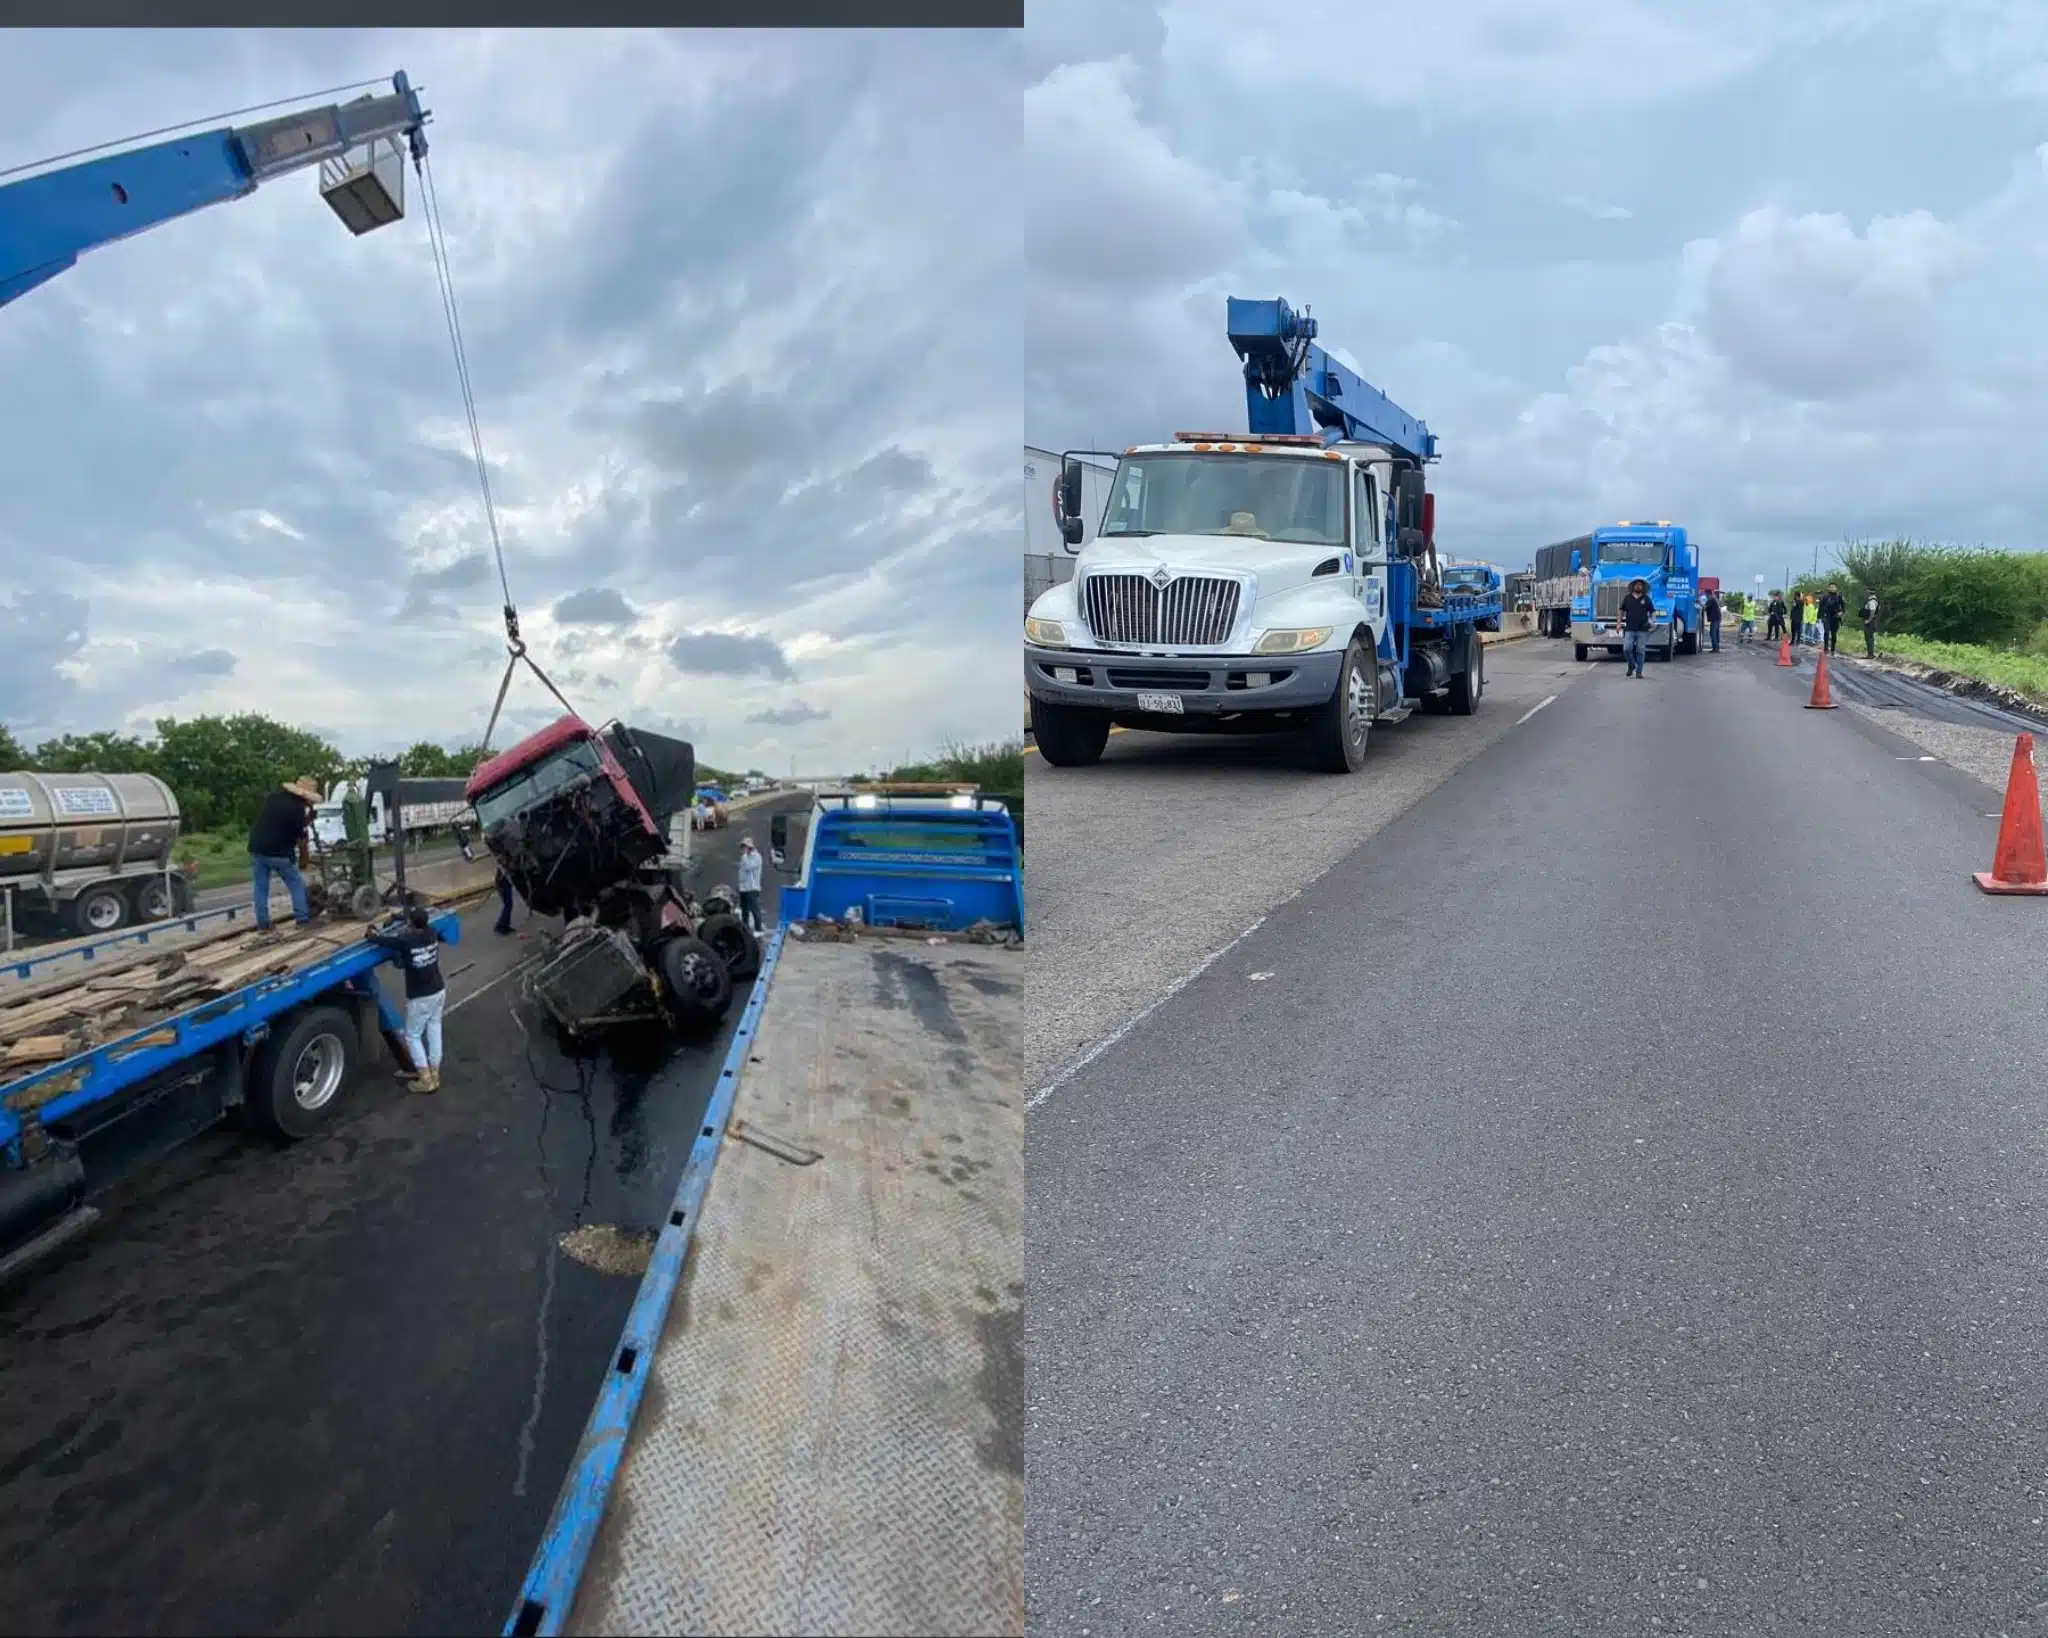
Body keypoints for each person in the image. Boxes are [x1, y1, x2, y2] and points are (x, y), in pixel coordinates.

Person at [369, 904, 447, 1093]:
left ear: (411, 923)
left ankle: (425, 1080)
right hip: (439, 990)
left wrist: (371, 934)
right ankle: (435, 1073)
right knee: (434, 1027)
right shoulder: (432, 932)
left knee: (412, 1036)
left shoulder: (406, 940)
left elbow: (382, 941)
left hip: (421, 996)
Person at [248, 776, 322, 932]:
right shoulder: (297, 809)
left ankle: (263, 925)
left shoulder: (273, 798)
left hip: (257, 848)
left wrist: (304, 820)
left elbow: (278, 823)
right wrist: (307, 821)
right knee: (296, 884)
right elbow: (299, 835)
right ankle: (302, 920)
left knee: (260, 888)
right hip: (279, 853)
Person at [1618, 577, 1654, 678]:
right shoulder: (1627, 598)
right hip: (1629, 628)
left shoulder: (1646, 599)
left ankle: (1639, 671)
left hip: (1642, 629)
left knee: (1640, 651)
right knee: (1627, 649)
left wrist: (1653, 620)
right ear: (1633, 586)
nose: (1638, 586)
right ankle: (1632, 664)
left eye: (1640, 585)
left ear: (1643, 587)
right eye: (1636, 584)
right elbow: (1621, 610)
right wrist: (1618, 623)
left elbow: (1653, 611)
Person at [736, 836, 765, 931]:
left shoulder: (756, 857)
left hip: (752, 888)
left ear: (750, 847)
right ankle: (745, 928)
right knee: (744, 910)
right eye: (742, 846)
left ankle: (758, 928)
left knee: (754, 909)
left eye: (745, 846)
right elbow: (742, 872)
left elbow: (748, 867)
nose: (743, 849)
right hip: (743, 888)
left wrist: (744, 856)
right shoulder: (744, 857)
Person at [1818, 582, 1846, 655]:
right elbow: (1821, 607)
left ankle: (1832, 649)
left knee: (1833, 634)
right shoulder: (1825, 597)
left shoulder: (1839, 596)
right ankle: (1826, 649)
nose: (1832, 588)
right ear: (1828, 588)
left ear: (1836, 588)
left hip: (1835, 617)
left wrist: (1841, 612)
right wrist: (1820, 616)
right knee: (1826, 632)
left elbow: (1843, 607)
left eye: (1833, 587)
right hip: (1827, 616)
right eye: (1831, 587)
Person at [493, 863, 517, 936]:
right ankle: (501, 926)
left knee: (508, 905)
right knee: (508, 905)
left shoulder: (503, 862)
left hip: (503, 884)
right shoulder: (503, 863)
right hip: (503, 885)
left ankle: (505, 925)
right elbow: (504, 873)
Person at [1702, 588, 1722, 653]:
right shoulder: (1713, 599)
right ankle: (1716, 648)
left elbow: (1705, 607)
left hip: (1715, 619)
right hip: (1717, 618)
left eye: (1706, 594)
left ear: (1708, 594)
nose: (1706, 596)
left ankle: (1716, 649)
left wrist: (1699, 603)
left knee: (1712, 634)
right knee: (1715, 634)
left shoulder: (1711, 599)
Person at [1862, 589, 1880, 658]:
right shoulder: (1871, 601)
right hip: (1871, 621)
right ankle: (1870, 653)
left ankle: (1871, 654)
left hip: (1870, 622)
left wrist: (1868, 620)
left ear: (1869, 593)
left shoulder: (1872, 601)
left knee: (1869, 637)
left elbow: (1872, 612)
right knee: (1869, 637)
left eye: (1866, 593)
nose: (1865, 594)